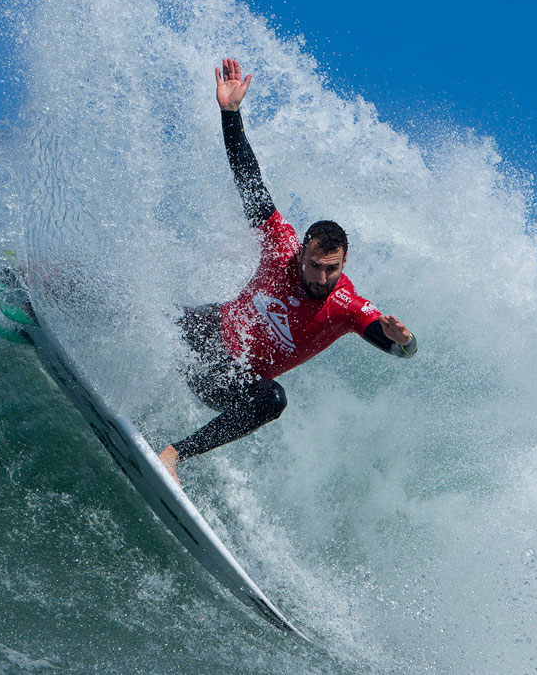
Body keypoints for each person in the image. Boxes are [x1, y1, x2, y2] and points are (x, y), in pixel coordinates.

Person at [158, 58, 418, 483]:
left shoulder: (348, 307)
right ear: (300, 253)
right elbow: (248, 176)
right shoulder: (279, 244)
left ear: (344, 264)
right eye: (314, 265)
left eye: (330, 270)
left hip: (228, 379)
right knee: (146, 309)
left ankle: (172, 455)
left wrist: (404, 341)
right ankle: (35, 289)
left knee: (273, 400)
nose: (320, 278)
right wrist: (230, 114)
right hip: (207, 329)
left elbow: (401, 352)